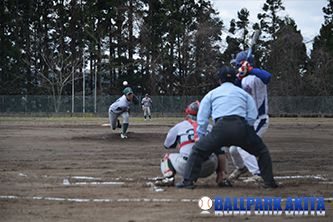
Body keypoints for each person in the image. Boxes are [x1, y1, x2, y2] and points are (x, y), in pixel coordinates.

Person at [176, 66, 278, 189]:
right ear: (235, 81)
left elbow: (202, 118)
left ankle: (188, 181)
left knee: (197, 151)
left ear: (220, 81)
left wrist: (201, 136)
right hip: (240, 127)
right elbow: (252, 115)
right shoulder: (243, 94)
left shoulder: (212, 94)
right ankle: (269, 183)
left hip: (221, 128)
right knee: (262, 151)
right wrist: (247, 130)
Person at [155, 101, 232, 187]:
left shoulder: (180, 126)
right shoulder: (210, 127)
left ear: (188, 113)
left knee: (167, 157)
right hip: (209, 166)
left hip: (185, 167)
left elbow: (167, 145)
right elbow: (221, 151)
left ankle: (168, 177)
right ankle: (223, 177)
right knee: (222, 154)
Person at [228, 51, 272, 183]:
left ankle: (258, 173)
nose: (236, 68)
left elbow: (268, 77)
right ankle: (241, 168)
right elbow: (234, 87)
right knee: (234, 149)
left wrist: (251, 69)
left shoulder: (256, 77)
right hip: (248, 120)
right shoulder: (240, 78)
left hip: (260, 119)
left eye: (238, 65)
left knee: (244, 146)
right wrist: (241, 75)